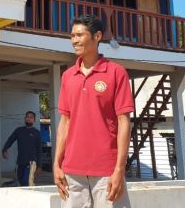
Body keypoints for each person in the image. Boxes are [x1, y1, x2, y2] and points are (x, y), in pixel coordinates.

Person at [53, 15, 134, 208]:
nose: (74, 40)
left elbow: (124, 122)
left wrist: (119, 169)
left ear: (97, 36)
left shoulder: (116, 72)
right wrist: (57, 164)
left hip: (107, 170)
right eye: (72, 36)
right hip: (71, 171)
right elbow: (65, 122)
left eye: (80, 35)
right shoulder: (67, 76)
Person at [2, 111, 42, 186]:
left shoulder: (36, 133)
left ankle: (30, 197)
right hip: (20, 162)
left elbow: (39, 150)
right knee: (20, 182)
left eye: (31, 117)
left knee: (26, 181)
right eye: (27, 117)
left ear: (34, 120)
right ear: (25, 118)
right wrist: (5, 149)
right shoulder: (19, 131)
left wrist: (39, 166)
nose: (29, 119)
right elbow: (10, 140)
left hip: (31, 163)